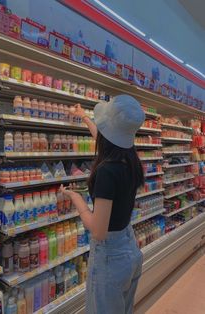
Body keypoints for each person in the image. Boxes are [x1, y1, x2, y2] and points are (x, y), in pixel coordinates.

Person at [61, 94, 145, 314]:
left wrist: (76, 199)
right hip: (129, 248)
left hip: (111, 257)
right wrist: (84, 117)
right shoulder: (130, 158)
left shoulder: (107, 171)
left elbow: (98, 230)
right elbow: (104, 137)